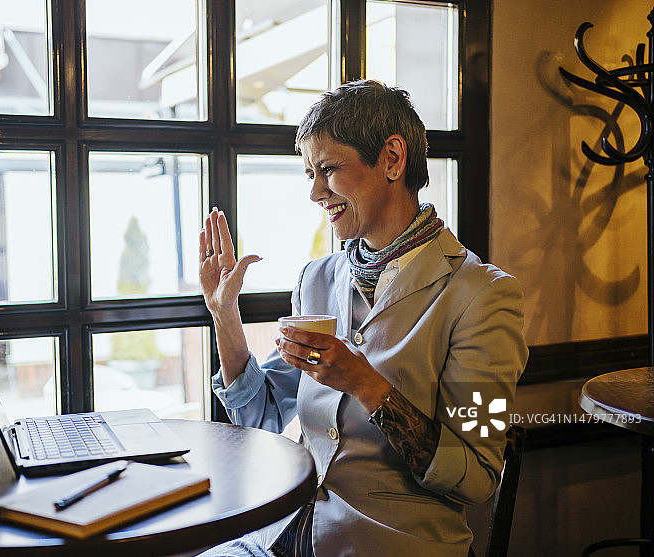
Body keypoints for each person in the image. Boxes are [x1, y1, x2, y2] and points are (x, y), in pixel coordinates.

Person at [197, 80, 528, 556]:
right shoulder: (316, 278)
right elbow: (265, 416)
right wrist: (224, 315)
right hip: (279, 533)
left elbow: (476, 477)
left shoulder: (484, 295)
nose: (314, 192)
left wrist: (366, 384)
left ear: (393, 158)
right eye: (309, 172)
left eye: (328, 168)